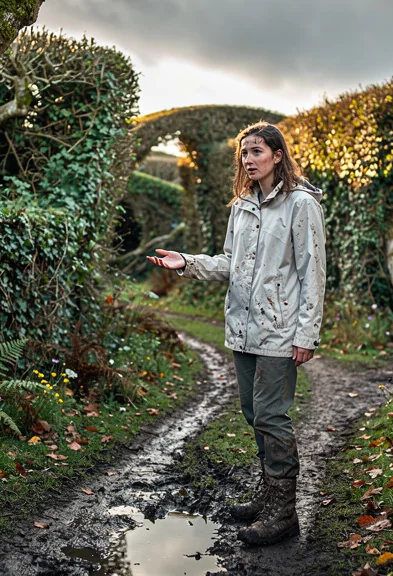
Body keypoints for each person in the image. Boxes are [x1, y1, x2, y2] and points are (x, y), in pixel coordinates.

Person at [147, 121, 326, 546]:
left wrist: (307, 334)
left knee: (271, 415)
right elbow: (231, 264)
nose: (248, 160)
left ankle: (283, 514)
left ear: (278, 155)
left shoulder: (302, 205)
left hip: (281, 330)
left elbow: (313, 273)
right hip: (243, 327)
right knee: (252, 412)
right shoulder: (242, 206)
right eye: (244, 153)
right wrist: (186, 262)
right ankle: (269, 497)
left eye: (257, 152)